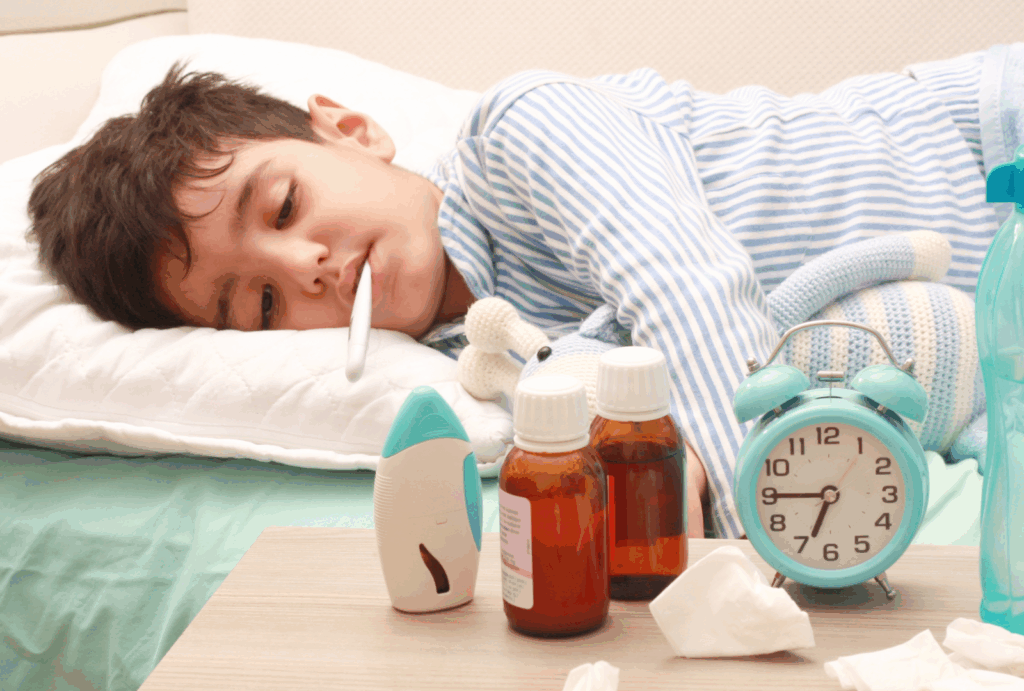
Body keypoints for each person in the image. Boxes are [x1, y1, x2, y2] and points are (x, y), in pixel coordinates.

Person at [28, 44, 1017, 538]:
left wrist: (755, 532)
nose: (306, 268)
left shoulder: (520, 132)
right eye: (261, 306)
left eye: (284, 205)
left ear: (352, 131)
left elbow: (686, 286)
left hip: (985, 140)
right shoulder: (481, 369)